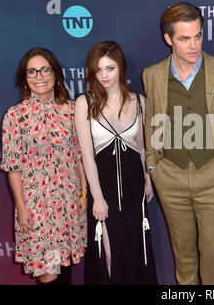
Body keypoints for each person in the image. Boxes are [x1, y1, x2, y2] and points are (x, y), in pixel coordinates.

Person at [142, 2, 214, 285]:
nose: (194, 45)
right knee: (183, 259)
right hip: (169, 177)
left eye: (198, 35)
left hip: (213, 175)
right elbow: (151, 122)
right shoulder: (152, 75)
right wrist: (153, 165)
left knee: (211, 259)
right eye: (184, 38)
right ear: (168, 39)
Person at [0, 47, 87, 285]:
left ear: (55, 73)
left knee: (66, 265)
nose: (39, 76)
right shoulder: (15, 116)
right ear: (25, 78)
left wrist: (83, 192)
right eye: (32, 72)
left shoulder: (72, 110)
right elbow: (13, 167)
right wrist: (22, 208)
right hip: (37, 207)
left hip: (68, 202)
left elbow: (79, 156)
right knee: (49, 274)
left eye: (45, 70)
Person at [75, 41, 157, 284]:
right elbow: (87, 156)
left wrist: (148, 180)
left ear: (121, 68)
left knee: (136, 251)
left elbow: (143, 148)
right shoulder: (84, 103)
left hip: (134, 191)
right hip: (105, 190)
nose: (104, 76)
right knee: (108, 253)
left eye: (110, 68)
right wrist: (97, 197)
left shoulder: (140, 102)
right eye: (98, 70)